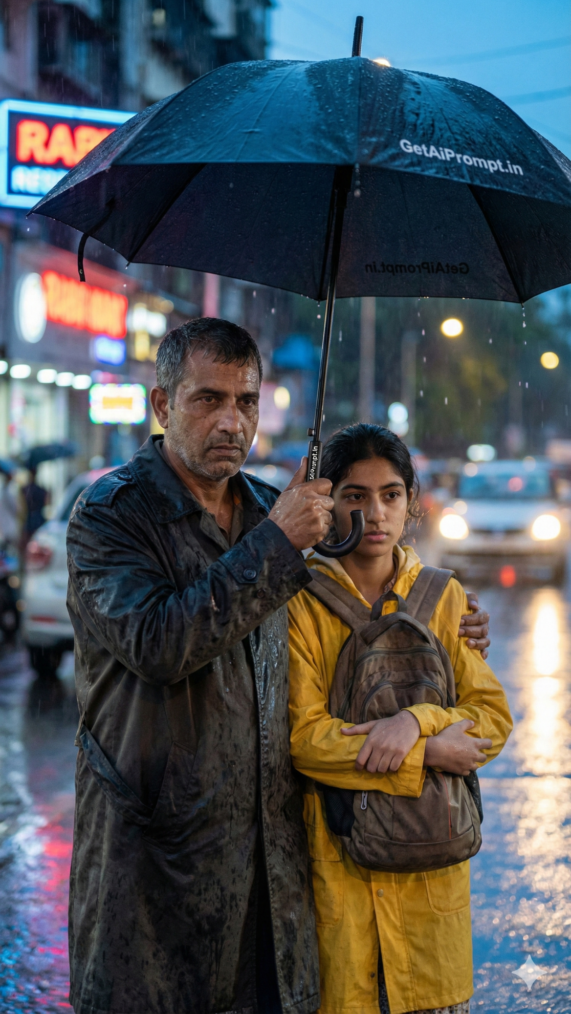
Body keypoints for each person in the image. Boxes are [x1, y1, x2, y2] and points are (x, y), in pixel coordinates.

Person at [67, 320, 491, 1014]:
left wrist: (451, 613)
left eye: (247, 401)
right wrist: (273, 545)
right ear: (162, 405)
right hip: (156, 859)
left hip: (272, 862)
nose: (231, 421)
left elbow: (364, 588)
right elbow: (157, 643)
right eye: (208, 399)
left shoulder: (272, 506)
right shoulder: (112, 515)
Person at [288, 423, 512, 1014]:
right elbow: (304, 738)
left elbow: (489, 716)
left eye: (390, 494)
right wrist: (428, 752)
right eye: (354, 496)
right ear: (327, 503)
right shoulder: (298, 602)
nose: (374, 514)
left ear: (412, 503)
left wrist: (415, 721)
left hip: (430, 889)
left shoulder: (444, 597)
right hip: (340, 881)